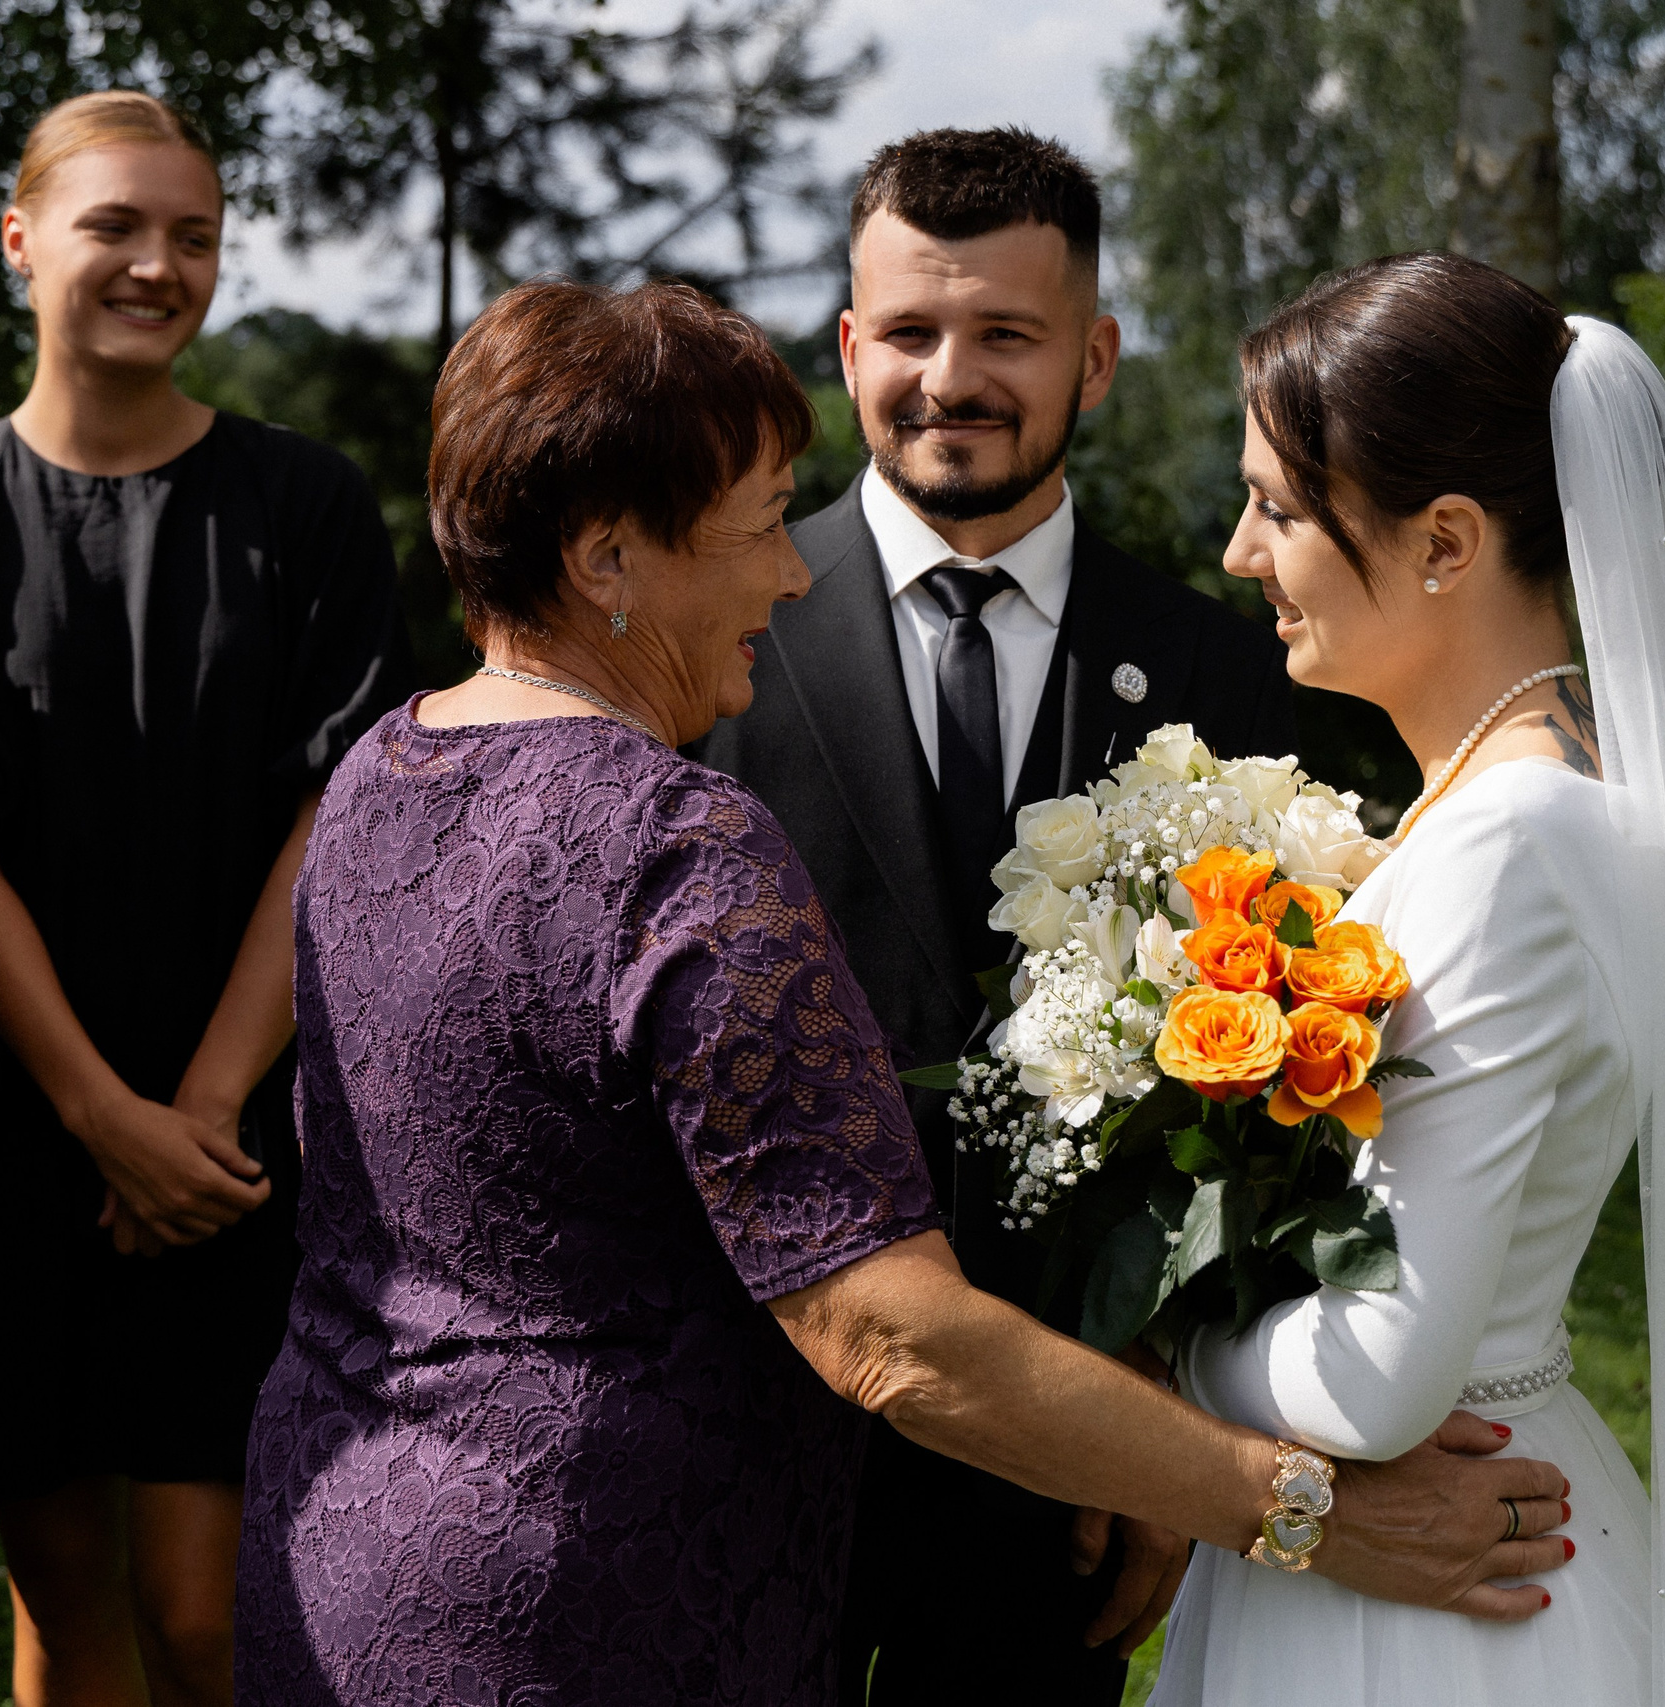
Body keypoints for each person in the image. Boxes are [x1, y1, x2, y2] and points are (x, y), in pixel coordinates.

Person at [233, 277, 1572, 1707]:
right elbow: (885, 1330)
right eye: (755, 526)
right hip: (588, 1612)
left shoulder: (380, 771)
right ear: (607, 557)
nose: (793, 574)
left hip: (340, 1553)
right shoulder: (677, 846)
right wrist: (1294, 1506)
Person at [690, 127, 1560, 1703]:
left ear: (1093, 360)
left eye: (1006, 335)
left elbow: (1295, 1109)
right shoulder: (721, 642)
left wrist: (1182, 1441)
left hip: (1079, 1493)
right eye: (908, 332)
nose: (951, 377)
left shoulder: (1240, 675)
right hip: (751, 1447)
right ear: (845, 346)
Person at [1150, 254, 1665, 1704]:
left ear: (1447, 542)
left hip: (1426, 1588)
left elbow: (1381, 1375)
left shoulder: (1501, 851)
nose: (1238, 553)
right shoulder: (1556, 800)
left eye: (1277, 507)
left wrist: (1164, 1343)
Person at [0, 91, 409, 1707]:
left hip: (238, 1133)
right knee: (61, 1605)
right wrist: (98, 1116)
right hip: (25, 1122)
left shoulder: (307, 506)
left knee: (208, 1613)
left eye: (192, 234)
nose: (156, 264)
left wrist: (192, 1111)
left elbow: (337, 815)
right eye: (116, 225)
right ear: (21, 239)